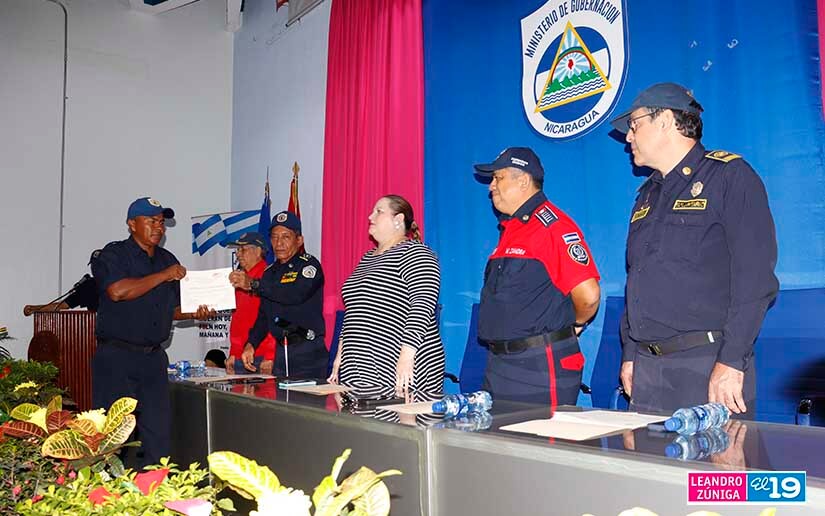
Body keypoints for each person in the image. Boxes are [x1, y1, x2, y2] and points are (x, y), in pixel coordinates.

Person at [610, 82, 778, 415]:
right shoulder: (646, 196)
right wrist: (630, 353)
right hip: (647, 369)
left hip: (707, 366)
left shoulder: (729, 177)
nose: (628, 137)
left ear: (664, 121)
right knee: (644, 452)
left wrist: (732, 361)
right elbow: (638, 279)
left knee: (716, 453)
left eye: (634, 125)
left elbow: (755, 279)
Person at [473, 147, 601, 407]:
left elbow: (588, 296)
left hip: (539, 366)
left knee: (538, 435)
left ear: (523, 180)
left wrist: (574, 324)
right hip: (500, 365)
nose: (491, 186)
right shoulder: (511, 228)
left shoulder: (552, 227)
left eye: (498, 178)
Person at [91, 197, 213, 468]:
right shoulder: (113, 255)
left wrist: (196, 312)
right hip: (117, 358)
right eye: (151, 221)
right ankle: (109, 489)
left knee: (158, 433)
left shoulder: (167, 260)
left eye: (161, 222)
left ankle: (156, 488)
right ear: (132, 224)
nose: (159, 227)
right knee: (114, 434)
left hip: (153, 359)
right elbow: (118, 291)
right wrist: (164, 275)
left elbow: (173, 310)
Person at [328, 195, 446, 400]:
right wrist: (340, 356)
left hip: (400, 367)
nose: (370, 216)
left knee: (396, 421)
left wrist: (406, 358)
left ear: (398, 219)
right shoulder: (367, 259)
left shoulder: (416, 253)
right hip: (359, 368)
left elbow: (423, 305)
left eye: (378, 211)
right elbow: (353, 312)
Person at [230, 211, 328, 378]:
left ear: (299, 240)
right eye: (274, 237)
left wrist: (254, 284)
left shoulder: (308, 265)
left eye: (286, 237)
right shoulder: (270, 273)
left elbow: (294, 294)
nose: (279, 243)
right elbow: (264, 315)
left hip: (307, 352)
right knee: (278, 396)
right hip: (282, 353)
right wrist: (251, 344)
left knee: (306, 396)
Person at [224, 232, 276, 374]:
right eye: (238, 249)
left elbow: (274, 318)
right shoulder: (240, 278)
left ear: (258, 251)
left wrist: (270, 355)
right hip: (242, 356)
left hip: (261, 356)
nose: (238, 254)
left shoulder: (269, 277)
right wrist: (234, 352)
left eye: (243, 249)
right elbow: (237, 320)